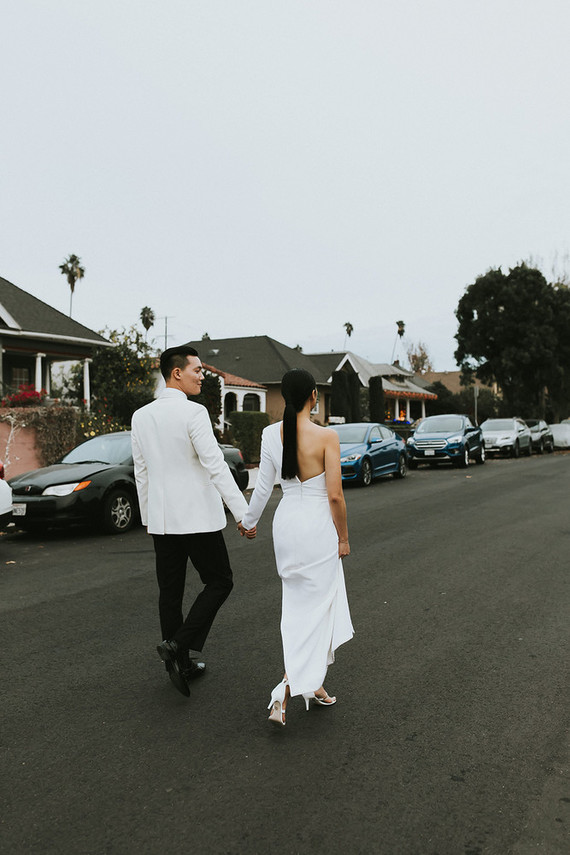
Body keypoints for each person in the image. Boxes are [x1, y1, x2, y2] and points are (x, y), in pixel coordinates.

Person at [131, 344, 250, 697]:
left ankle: (180, 663)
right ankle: (178, 646)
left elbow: (141, 472)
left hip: (162, 520)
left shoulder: (141, 416)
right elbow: (216, 465)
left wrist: (148, 516)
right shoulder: (194, 413)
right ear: (176, 373)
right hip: (198, 518)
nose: (202, 376)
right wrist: (243, 513)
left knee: (170, 593)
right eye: (197, 370)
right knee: (220, 581)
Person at [240, 368, 353, 726]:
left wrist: (249, 521)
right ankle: (287, 687)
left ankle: (313, 684)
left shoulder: (270, 434)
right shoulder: (327, 436)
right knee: (319, 610)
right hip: (317, 528)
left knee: (297, 610)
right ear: (313, 396)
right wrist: (344, 537)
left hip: (287, 526)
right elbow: (335, 496)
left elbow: (262, 487)